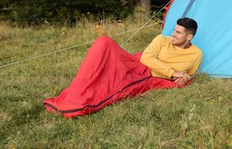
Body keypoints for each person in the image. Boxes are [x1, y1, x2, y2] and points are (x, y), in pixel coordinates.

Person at [43, 17, 202, 118]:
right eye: (174, 30)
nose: (173, 34)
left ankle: (78, 101)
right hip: (138, 63)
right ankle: (74, 94)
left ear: (189, 37)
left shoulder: (196, 54)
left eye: (178, 33)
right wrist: (173, 72)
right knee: (104, 43)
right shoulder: (162, 40)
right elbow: (147, 58)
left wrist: (186, 76)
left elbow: (190, 74)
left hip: (147, 75)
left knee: (114, 84)